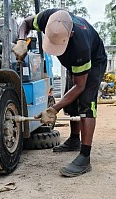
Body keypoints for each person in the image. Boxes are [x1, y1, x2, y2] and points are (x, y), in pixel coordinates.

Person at [13, 9, 107, 177]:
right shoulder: (47, 17)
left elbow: (80, 86)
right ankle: (73, 140)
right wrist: (21, 40)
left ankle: (85, 157)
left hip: (94, 61)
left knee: (86, 104)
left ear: (70, 35)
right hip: (73, 63)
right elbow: (26, 23)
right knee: (69, 103)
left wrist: (53, 109)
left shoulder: (81, 46)